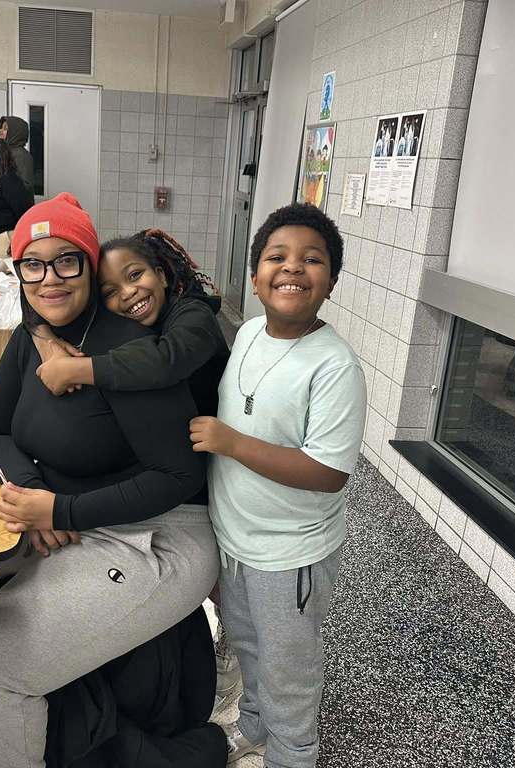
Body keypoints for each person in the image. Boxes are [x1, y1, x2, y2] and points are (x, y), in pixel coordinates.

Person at [0, 193, 223, 768]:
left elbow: (179, 476)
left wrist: (60, 511)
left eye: (66, 261)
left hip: (160, 535)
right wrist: (30, 492)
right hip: (72, 514)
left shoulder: (127, 349)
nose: (49, 278)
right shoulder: (31, 337)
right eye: (32, 264)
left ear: (88, 263)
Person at [31, 228, 242, 713]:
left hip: (224, 461)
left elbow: (166, 362)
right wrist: (43, 335)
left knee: (227, 574)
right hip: (183, 454)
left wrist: (76, 370)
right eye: (110, 290)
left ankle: (236, 654)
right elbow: (38, 305)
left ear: (162, 274)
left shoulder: (193, 315)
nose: (128, 293)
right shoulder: (125, 326)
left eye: (135, 275)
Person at [189, 203, 367, 768]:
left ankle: (293, 752)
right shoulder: (247, 333)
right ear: (255, 276)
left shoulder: (335, 366)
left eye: (312, 259)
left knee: (290, 666)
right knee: (246, 644)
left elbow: (329, 472)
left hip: (290, 555)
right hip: (237, 540)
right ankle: (254, 725)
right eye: (277, 257)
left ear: (330, 282)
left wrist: (231, 443)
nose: (293, 267)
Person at [0, 115, 35, 193]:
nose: (0, 130)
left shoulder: (21, 155)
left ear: (15, 133)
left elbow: (25, 187)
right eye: (1, 128)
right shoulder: (5, 151)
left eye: (5, 129)